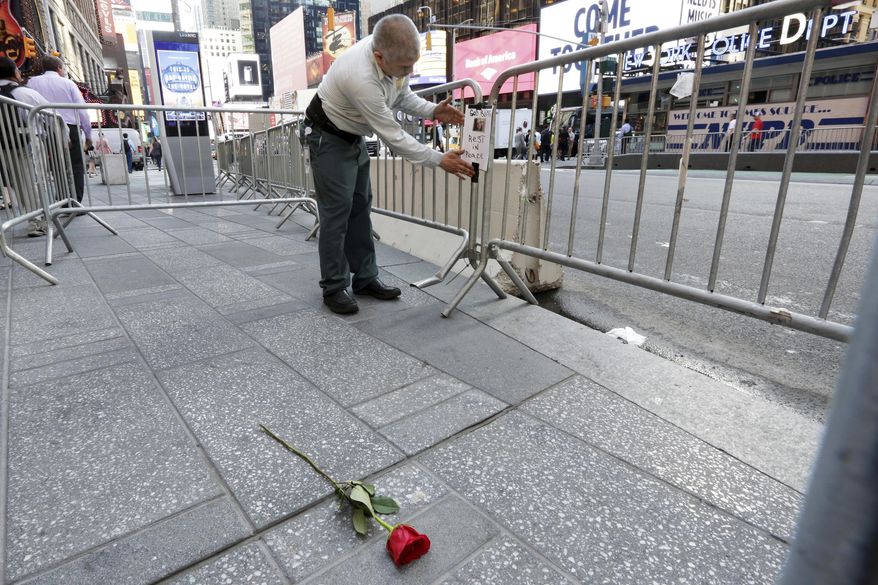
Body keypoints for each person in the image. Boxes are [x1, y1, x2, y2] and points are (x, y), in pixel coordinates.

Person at [305, 14, 473, 314]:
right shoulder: (361, 78)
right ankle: (333, 287)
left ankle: (365, 278)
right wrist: (438, 159)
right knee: (337, 213)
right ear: (379, 57)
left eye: (413, 64)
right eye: (405, 67)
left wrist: (433, 109)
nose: (409, 71)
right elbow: (393, 136)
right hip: (327, 136)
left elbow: (401, 95)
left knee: (360, 207)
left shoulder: (392, 54)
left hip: (351, 134)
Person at [27, 55, 92, 203]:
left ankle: (62, 199)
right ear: (59, 68)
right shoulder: (68, 83)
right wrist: (88, 134)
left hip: (46, 128)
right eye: (63, 68)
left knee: (57, 165)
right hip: (70, 127)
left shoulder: (32, 83)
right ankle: (75, 201)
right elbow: (82, 110)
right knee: (75, 165)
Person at [0, 56, 50, 236]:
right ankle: (38, 220)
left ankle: (34, 218)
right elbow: (51, 114)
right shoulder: (23, 93)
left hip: (4, 148)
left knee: (18, 184)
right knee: (33, 182)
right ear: (14, 73)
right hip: (26, 145)